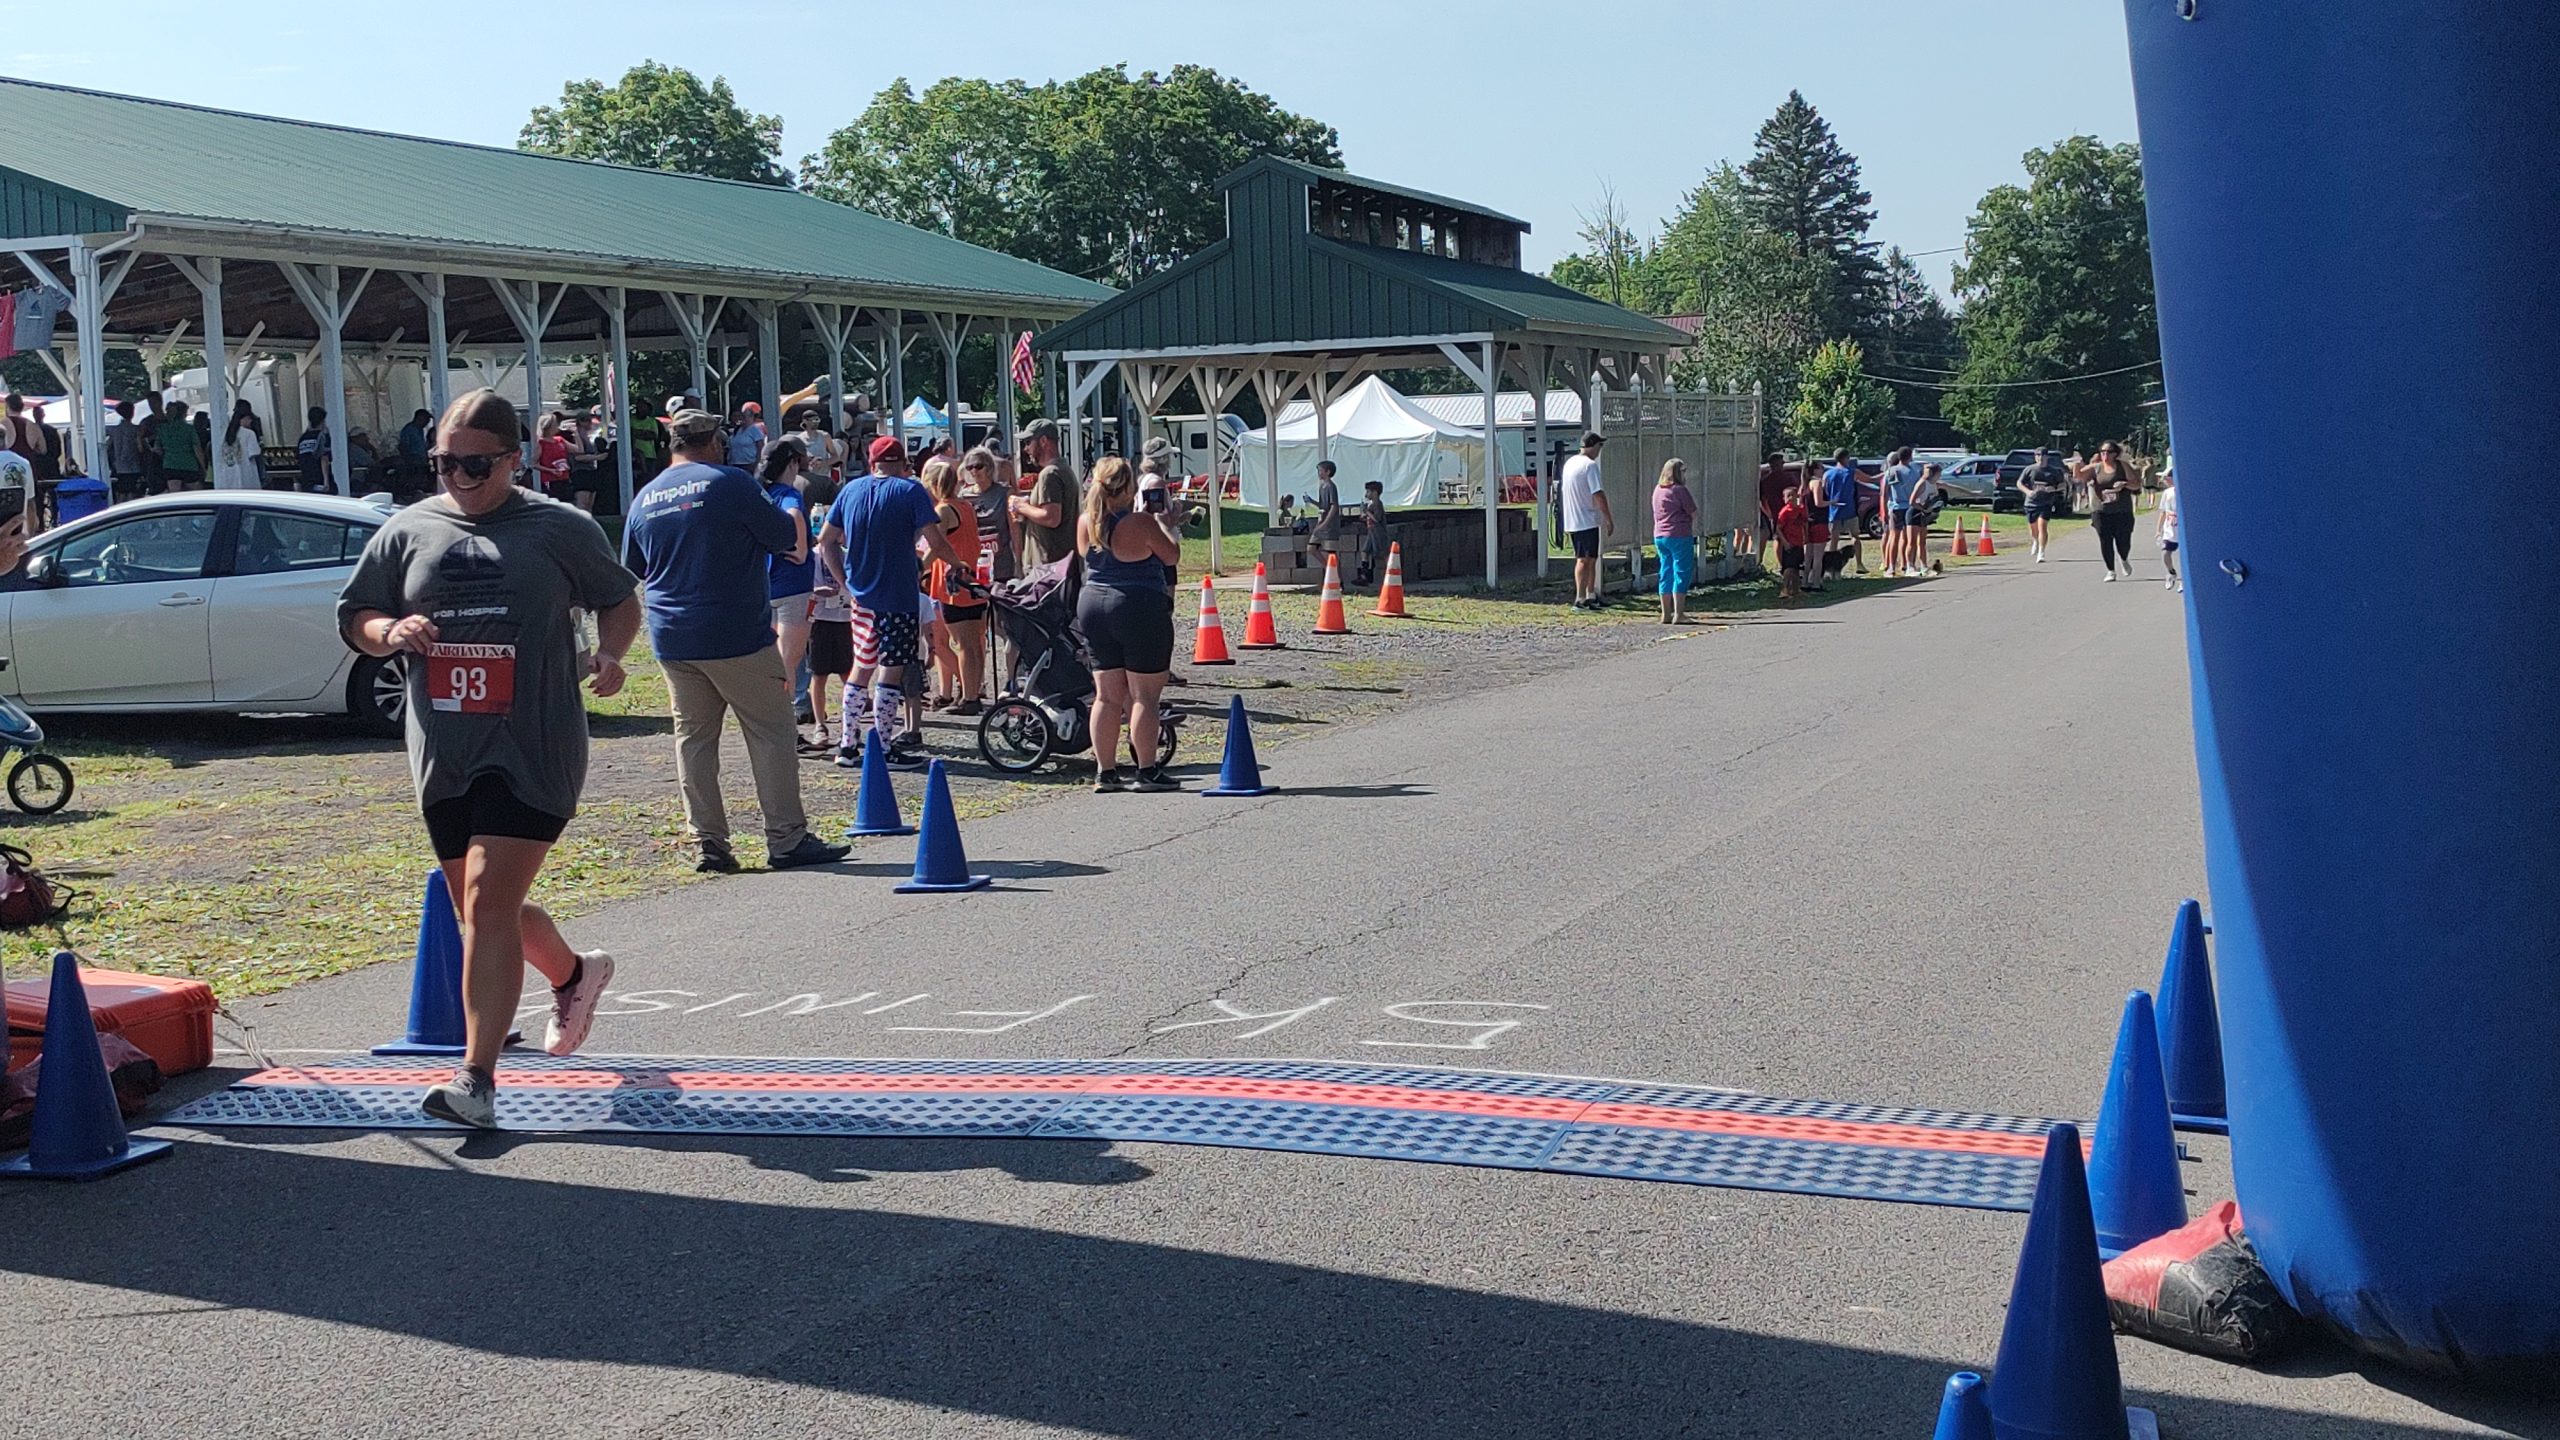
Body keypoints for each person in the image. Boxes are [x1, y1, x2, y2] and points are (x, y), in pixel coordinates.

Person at [336, 388, 642, 1128]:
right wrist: (389, 632)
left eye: (476, 465)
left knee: (486, 898)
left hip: (534, 741)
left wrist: (611, 652)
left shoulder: (559, 527)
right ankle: (575, 973)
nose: (458, 478)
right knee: (478, 909)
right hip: (445, 746)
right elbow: (357, 615)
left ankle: (476, 1080)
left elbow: (618, 598)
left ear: (514, 459)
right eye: (446, 463)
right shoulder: (408, 530)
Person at [625, 408, 848, 875]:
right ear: (714, 441)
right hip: (734, 632)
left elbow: (635, 566)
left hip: (672, 635)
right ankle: (786, 838)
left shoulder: (646, 496)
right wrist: (790, 505)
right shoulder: (730, 483)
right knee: (771, 732)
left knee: (693, 740)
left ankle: (708, 843)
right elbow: (784, 538)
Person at [817, 435, 965, 771]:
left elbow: (826, 542)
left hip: (861, 597)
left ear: (872, 463)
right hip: (898, 596)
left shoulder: (850, 491)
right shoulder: (910, 491)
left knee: (861, 666)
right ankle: (883, 746)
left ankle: (847, 744)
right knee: (891, 670)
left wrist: (844, 582)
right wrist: (957, 564)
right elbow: (936, 540)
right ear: (902, 463)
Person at [1076, 456, 1182, 792]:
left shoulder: (1086, 521)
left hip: (1093, 603)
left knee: (1106, 695)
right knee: (1144, 696)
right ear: (1128, 488)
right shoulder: (1141, 522)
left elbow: (1086, 556)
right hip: (1138, 604)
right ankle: (1146, 769)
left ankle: (1105, 771)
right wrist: (1163, 522)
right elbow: (1171, 555)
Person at [758, 442, 821, 751]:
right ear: (793, 463)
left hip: (766, 586)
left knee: (771, 663)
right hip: (794, 588)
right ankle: (785, 732)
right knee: (789, 664)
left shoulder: (762, 494)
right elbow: (795, 517)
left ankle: (769, 728)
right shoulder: (790, 494)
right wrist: (797, 549)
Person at [2075, 440, 2146, 581]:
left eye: (2108, 452)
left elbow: (2136, 485)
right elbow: (2080, 476)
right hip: (2100, 510)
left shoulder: (2123, 466)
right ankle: (2111, 570)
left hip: (2122, 510)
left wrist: (2124, 484)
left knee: (2123, 541)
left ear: (2115, 454)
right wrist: (2076, 463)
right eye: (2102, 452)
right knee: (2105, 540)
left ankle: (2124, 558)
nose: (2104, 455)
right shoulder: (2096, 467)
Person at [1009, 418, 1075, 570]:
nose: (1026, 449)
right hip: (1060, 563)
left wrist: (1020, 506)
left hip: (1048, 566)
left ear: (1043, 441)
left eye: (1028, 442)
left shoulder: (1050, 473)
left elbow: (1051, 518)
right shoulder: (1063, 468)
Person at [1560, 432, 1611, 609]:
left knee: (1592, 558)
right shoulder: (1589, 465)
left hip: (1575, 518)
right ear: (1593, 446)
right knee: (1584, 559)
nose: (1599, 450)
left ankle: (1590, 594)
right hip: (1585, 518)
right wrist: (1608, 517)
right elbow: (1598, 493)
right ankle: (1580, 598)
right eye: (1599, 446)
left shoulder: (1570, 463)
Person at [1652, 458, 1698, 623]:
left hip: (1660, 535)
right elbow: (1692, 511)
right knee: (1681, 572)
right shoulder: (1679, 490)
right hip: (1679, 534)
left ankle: (1665, 613)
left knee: (1666, 571)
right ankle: (1679, 613)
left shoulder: (1658, 489)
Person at [2017, 446, 2071, 562]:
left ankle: (2041, 552)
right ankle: (2035, 541)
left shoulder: (2054, 471)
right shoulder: (2029, 469)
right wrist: (2028, 492)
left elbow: (2062, 485)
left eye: (2043, 455)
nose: (2040, 458)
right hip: (2031, 503)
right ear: (2035, 457)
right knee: (2033, 528)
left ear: (2047, 457)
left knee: (2042, 526)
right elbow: (2019, 483)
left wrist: (2053, 489)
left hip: (2046, 503)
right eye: (2038, 455)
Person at [1880, 446, 1925, 577]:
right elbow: (1920, 490)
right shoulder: (1914, 472)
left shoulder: (1891, 471)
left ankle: (1891, 567)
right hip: (1910, 507)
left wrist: (1884, 510)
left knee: (1894, 537)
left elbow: (1884, 493)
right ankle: (1908, 565)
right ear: (1910, 456)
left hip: (1896, 506)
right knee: (1908, 539)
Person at [1822, 448, 1861, 577]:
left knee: (1834, 539)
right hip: (1850, 510)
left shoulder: (1827, 474)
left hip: (1834, 510)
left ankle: (1831, 567)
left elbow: (1824, 491)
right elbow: (1869, 480)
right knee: (1855, 536)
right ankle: (1859, 564)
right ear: (1846, 458)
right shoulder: (1851, 472)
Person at [150, 400, 204, 490]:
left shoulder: (163, 429)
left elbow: (157, 449)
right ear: (183, 414)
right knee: (197, 493)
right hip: (189, 465)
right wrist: (203, 467)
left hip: (170, 465)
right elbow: (197, 449)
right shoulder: (189, 429)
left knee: (174, 493)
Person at [1774, 484, 1810, 601]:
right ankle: (1784, 589)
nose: (1790, 498)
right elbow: (1778, 528)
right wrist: (1785, 542)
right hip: (1789, 542)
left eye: (1792, 495)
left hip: (1798, 541)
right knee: (1788, 568)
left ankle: (1796, 590)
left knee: (1796, 567)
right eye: (1787, 496)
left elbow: (1804, 523)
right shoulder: (1785, 512)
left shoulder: (1800, 509)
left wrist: (1806, 536)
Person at [105, 399, 146, 501]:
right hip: (133, 466)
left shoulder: (115, 430)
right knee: (132, 492)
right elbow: (140, 449)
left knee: (121, 493)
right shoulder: (136, 430)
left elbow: (108, 447)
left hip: (119, 467)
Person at [221, 398, 265, 490]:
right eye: (249, 419)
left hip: (229, 478)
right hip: (247, 478)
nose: (250, 421)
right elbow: (255, 453)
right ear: (245, 418)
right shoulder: (249, 433)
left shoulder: (225, 434)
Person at [534, 412, 573, 502]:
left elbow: (579, 450)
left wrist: (576, 433)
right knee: (554, 503)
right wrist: (551, 470)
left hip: (564, 477)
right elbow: (534, 464)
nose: (557, 427)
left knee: (567, 503)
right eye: (555, 425)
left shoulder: (560, 440)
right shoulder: (541, 443)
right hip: (551, 480)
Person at [293, 408, 332, 494]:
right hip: (319, 478)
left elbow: (298, 458)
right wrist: (326, 480)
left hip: (306, 479)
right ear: (322, 421)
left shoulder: (303, 438)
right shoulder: (323, 436)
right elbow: (324, 458)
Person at [2156, 466, 2182, 593]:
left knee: (2183, 556)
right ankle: (2171, 572)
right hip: (2170, 528)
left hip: (2181, 529)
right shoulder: (2167, 493)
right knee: (2166, 553)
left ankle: (2183, 580)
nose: (2164, 480)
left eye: (2166, 478)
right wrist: (2158, 530)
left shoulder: (2183, 492)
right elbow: (2163, 512)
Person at [1359, 480, 1389, 587]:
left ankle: (1391, 573)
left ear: (1375, 492)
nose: (1366, 494)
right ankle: (1365, 575)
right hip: (1371, 531)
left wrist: (1366, 512)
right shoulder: (1371, 505)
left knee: (1382, 553)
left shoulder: (1377, 504)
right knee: (1365, 551)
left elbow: (1377, 518)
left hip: (1378, 532)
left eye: (1368, 492)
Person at [1312, 459, 1343, 556]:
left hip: (1330, 525)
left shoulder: (1331, 486)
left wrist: (1325, 523)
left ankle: (1333, 566)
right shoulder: (1322, 487)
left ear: (1328, 472)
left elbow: (1334, 506)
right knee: (1311, 548)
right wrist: (1311, 501)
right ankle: (1326, 564)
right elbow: (1323, 505)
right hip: (1321, 521)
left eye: (1320, 471)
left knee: (1330, 551)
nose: (1319, 473)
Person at [725, 401, 765, 468]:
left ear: (751, 417)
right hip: (734, 464)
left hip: (749, 465)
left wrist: (758, 464)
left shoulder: (754, 430)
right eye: (741, 416)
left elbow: (761, 448)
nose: (741, 418)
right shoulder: (737, 429)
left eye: (744, 416)